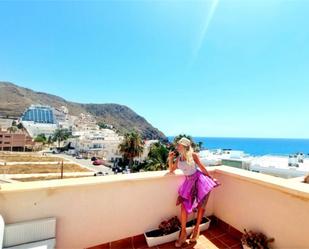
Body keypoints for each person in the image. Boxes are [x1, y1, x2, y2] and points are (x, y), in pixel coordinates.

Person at [168, 137, 220, 247]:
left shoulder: (193, 155)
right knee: (183, 207)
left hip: (199, 181)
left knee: (201, 207)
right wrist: (170, 158)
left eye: (179, 145)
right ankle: (183, 234)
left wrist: (211, 178)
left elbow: (201, 167)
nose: (177, 146)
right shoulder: (179, 159)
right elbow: (171, 170)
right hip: (188, 183)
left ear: (185, 146)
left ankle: (196, 230)